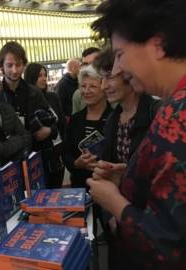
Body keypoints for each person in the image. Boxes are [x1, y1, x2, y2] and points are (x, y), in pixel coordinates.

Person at [87, 0, 186, 268]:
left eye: (119, 54)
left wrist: (115, 202)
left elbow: (169, 247)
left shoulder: (175, 116)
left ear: (157, 45)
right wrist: (133, 178)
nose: (117, 70)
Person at [93, 47, 162, 269]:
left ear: (129, 75)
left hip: (153, 231)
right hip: (121, 229)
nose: (104, 86)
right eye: (101, 79)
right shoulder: (113, 120)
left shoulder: (157, 114)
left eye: (109, 78)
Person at [64, 64, 112, 189]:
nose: (86, 91)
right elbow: (66, 153)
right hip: (80, 188)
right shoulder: (75, 119)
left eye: (92, 86)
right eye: (83, 86)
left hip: (108, 187)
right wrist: (76, 163)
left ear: (104, 88)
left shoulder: (115, 119)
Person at [0, 41, 51, 151]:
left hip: (35, 153)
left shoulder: (34, 92)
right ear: (1, 66)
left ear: (24, 65)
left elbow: (54, 120)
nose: (14, 70)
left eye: (18, 65)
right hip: (9, 156)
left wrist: (49, 130)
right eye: (9, 65)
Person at [24, 62, 66, 188]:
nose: (43, 78)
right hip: (37, 156)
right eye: (39, 76)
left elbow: (61, 122)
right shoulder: (27, 101)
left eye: (44, 75)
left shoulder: (52, 97)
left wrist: (51, 130)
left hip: (56, 154)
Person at [72, 47, 101, 114]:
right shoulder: (78, 95)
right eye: (85, 65)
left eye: (94, 64)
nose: (88, 68)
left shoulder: (112, 92)